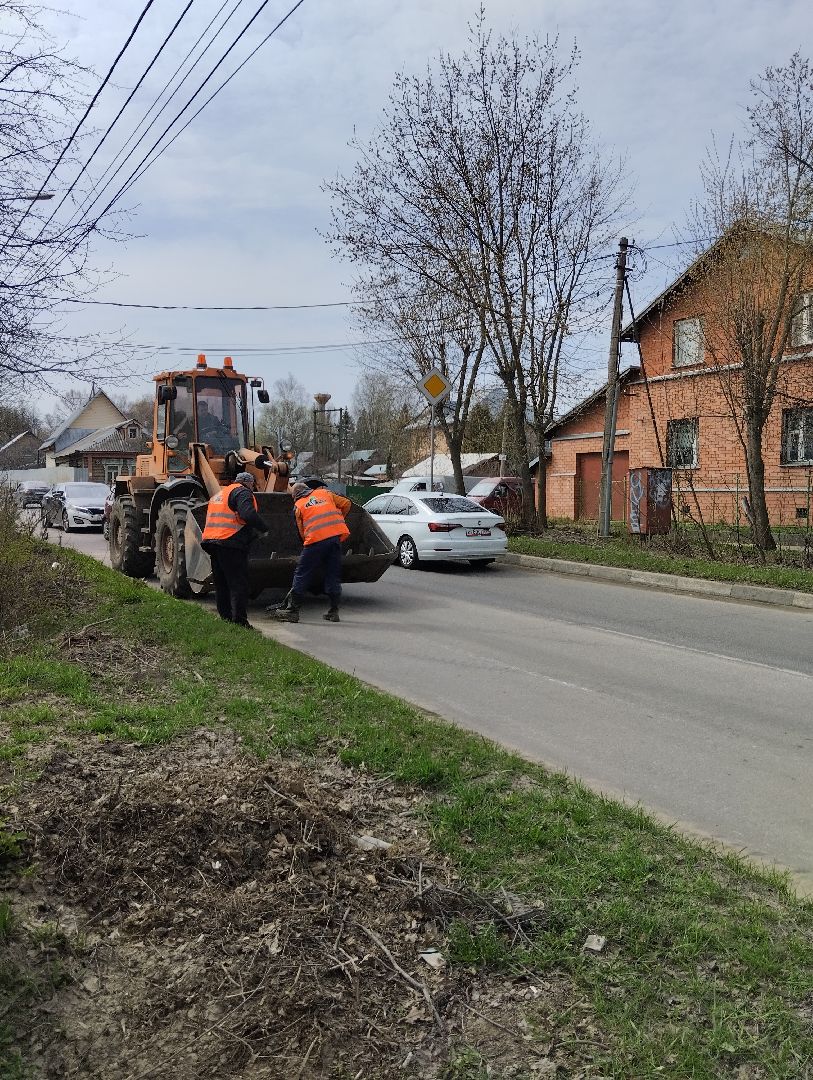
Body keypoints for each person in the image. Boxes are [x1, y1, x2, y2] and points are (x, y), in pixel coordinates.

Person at [271, 481, 352, 623]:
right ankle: (334, 611)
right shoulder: (325, 493)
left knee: (302, 573)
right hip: (334, 539)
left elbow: (301, 531)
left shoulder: (299, 506)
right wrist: (337, 521)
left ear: (295, 495)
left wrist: (307, 543)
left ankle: (292, 611)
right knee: (333, 574)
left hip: (315, 541)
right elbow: (346, 504)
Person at [201, 472, 268, 630]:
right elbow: (247, 513)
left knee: (221, 583)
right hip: (230, 543)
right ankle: (240, 621)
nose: (252, 487)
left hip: (212, 543)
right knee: (238, 584)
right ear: (248, 483)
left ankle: (225, 618)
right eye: (252, 484)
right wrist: (264, 528)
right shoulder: (242, 492)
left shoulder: (220, 494)